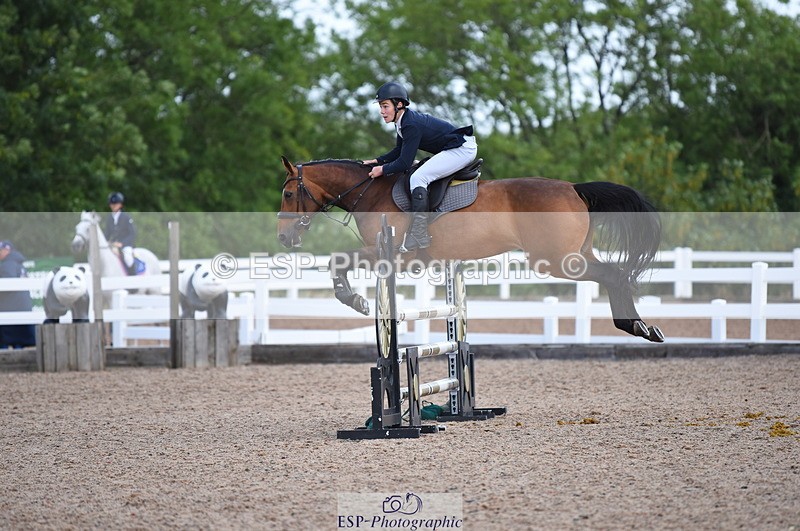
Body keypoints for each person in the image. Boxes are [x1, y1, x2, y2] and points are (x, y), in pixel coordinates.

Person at [362, 81, 478, 252]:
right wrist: (378, 161)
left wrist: (383, 170)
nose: (382, 112)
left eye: (385, 106)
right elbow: (399, 151)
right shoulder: (402, 122)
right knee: (418, 173)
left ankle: (419, 233)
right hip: (454, 148)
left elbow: (404, 162)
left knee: (419, 177)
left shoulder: (410, 124)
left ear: (399, 104)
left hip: (461, 149)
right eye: (381, 107)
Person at [0, 240, 35, 348]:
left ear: (7, 250)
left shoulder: (7, 264)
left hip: (11, 310)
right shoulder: (19, 264)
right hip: (22, 309)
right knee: (20, 344)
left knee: (5, 343)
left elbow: (6, 286)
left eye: (0, 250)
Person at [104, 192, 137, 275]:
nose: (113, 206)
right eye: (112, 204)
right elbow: (107, 233)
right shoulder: (109, 218)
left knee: (128, 258)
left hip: (125, 245)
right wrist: (106, 242)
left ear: (120, 205)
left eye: (116, 204)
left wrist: (122, 244)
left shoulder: (126, 217)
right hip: (113, 245)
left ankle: (133, 279)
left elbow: (132, 233)